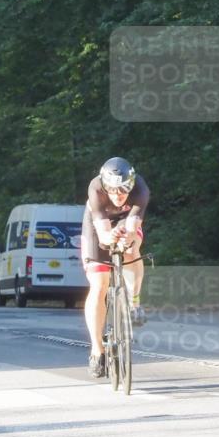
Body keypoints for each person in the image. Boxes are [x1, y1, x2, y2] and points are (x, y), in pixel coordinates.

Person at [81, 157, 149, 378]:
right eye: (113, 190)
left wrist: (125, 238)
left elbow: (131, 229)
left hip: (125, 221)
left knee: (131, 249)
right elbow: (101, 235)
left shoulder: (140, 189)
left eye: (123, 190)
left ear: (131, 185)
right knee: (99, 285)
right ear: (105, 186)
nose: (119, 195)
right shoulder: (96, 188)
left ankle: (134, 301)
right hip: (98, 224)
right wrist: (110, 237)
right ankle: (96, 350)